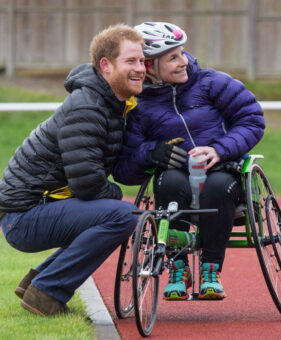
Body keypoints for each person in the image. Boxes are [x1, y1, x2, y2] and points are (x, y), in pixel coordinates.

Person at [0, 23, 146, 316]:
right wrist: (116, 194)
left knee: (114, 213)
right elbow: (88, 184)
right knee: (124, 215)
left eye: (142, 61)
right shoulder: (88, 107)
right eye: (131, 61)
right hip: (22, 217)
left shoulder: (112, 104)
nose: (141, 68)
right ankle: (47, 292)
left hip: (35, 209)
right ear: (105, 65)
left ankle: (37, 281)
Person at [113, 22, 265, 301]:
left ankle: (211, 270)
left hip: (224, 173)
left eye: (182, 53)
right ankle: (178, 268)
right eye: (173, 58)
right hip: (176, 181)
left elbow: (252, 119)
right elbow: (123, 169)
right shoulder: (137, 105)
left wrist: (219, 150)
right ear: (148, 66)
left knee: (218, 185)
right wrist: (150, 153)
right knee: (169, 181)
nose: (183, 61)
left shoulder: (212, 82)